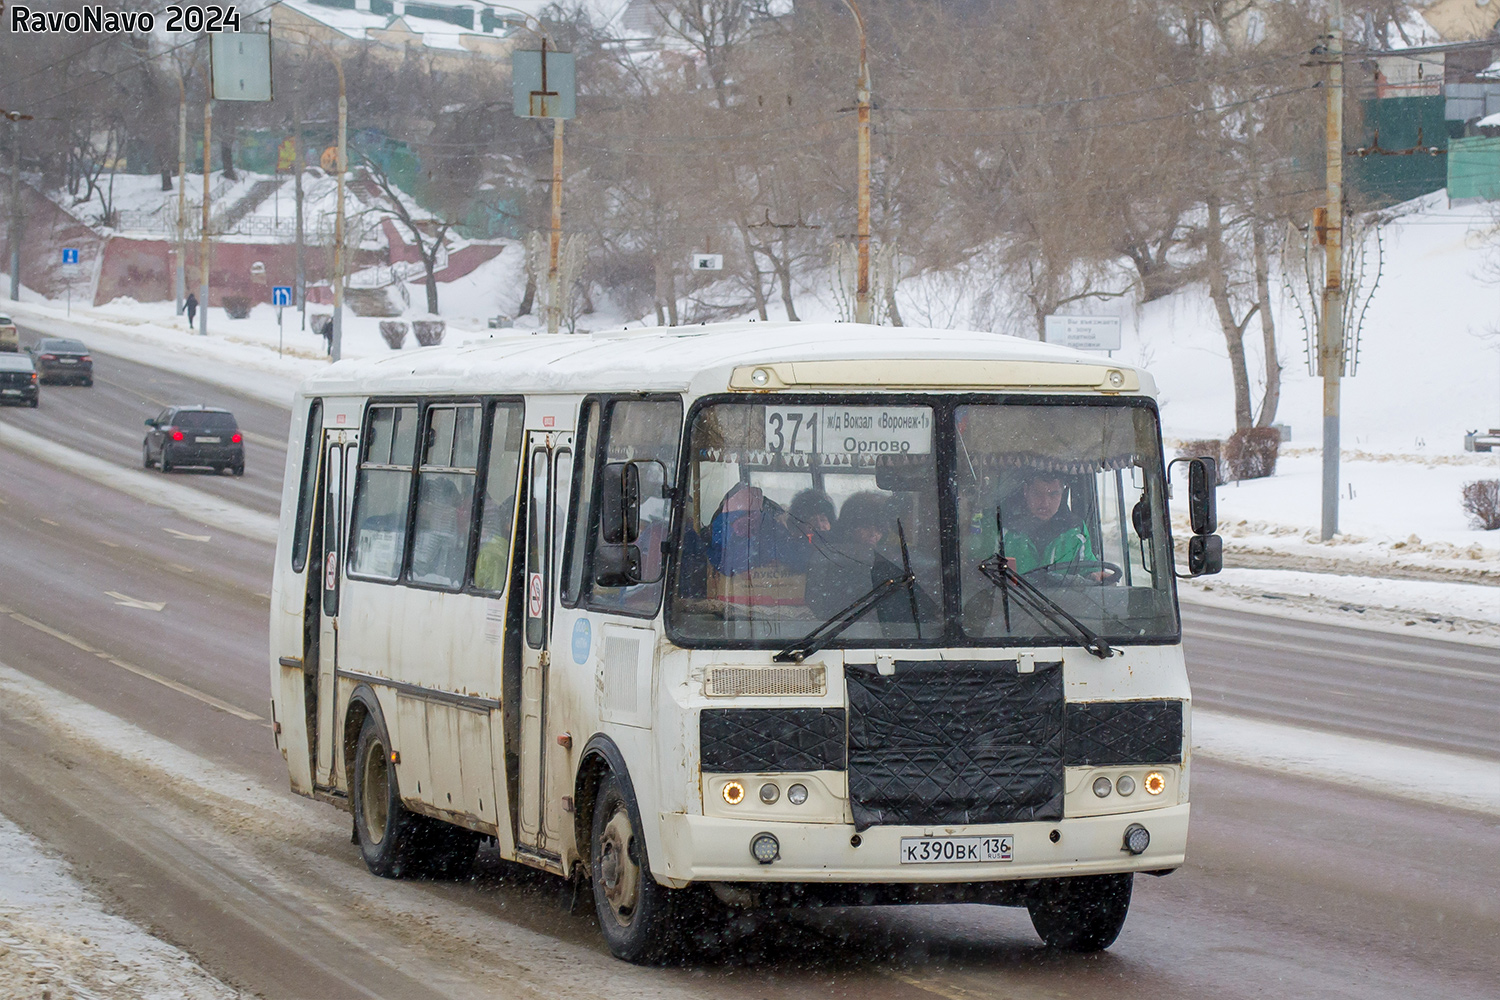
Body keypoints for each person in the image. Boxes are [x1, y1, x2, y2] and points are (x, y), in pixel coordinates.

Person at [805, 491, 888, 616]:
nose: (873, 533)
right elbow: (816, 603)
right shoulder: (827, 557)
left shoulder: (888, 559)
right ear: (849, 526)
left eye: (879, 528)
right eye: (866, 526)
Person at [1000, 472, 1093, 576]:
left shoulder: (1076, 530)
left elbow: (1089, 570)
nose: (1045, 503)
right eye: (1037, 493)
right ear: (1026, 491)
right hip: (1012, 592)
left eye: (1053, 494)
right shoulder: (1001, 528)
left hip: (1061, 592)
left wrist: (1096, 575)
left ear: (1063, 493)